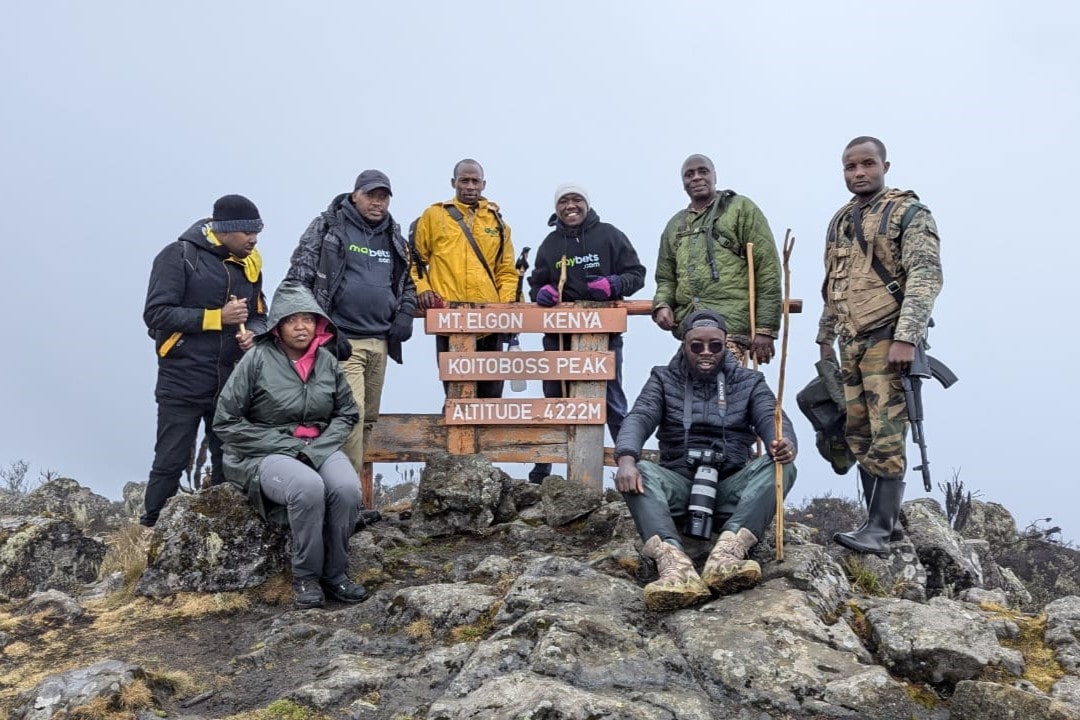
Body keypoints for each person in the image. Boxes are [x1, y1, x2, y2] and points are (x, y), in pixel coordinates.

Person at [614, 309, 797, 611]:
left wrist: (785, 442)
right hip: (680, 482)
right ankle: (675, 569)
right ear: (683, 345)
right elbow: (640, 416)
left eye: (715, 345)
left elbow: (772, 417)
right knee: (641, 472)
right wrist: (626, 457)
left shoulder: (750, 381)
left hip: (730, 485)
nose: (706, 352)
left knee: (782, 466)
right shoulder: (662, 378)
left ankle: (727, 557)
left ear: (726, 345)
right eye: (696, 346)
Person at [819, 136, 943, 555]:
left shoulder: (909, 211)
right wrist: (825, 339)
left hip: (888, 337)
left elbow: (925, 276)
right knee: (859, 432)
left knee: (888, 433)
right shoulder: (841, 219)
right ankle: (874, 523)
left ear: (885, 166)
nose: (859, 173)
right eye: (850, 167)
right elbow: (833, 283)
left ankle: (882, 527)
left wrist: (907, 336)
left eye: (867, 164)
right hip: (850, 341)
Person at [214, 281, 369, 609]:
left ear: (319, 323)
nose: (301, 327)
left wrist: (319, 445)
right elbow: (225, 422)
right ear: (277, 326)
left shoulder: (326, 361)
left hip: (318, 446)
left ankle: (336, 575)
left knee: (346, 489)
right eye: (292, 320)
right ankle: (306, 578)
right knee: (307, 488)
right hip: (263, 452)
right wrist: (283, 444)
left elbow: (346, 413)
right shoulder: (255, 360)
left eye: (308, 319)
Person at [141, 194, 268, 528]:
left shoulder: (252, 262)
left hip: (231, 377)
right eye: (246, 232)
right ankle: (151, 528)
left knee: (229, 456)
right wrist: (217, 318)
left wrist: (254, 333)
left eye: (257, 231)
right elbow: (156, 313)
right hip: (182, 375)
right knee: (172, 458)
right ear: (223, 230)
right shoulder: (178, 255)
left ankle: (228, 527)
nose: (253, 239)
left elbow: (258, 315)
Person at [285, 170, 417, 476]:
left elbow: (407, 283)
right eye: (371, 195)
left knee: (369, 418)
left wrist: (406, 313)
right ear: (355, 195)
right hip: (343, 342)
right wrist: (324, 330)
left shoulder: (393, 236)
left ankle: (350, 489)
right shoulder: (329, 227)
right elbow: (299, 280)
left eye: (383, 197)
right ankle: (346, 496)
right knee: (351, 415)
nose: (377, 203)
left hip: (380, 341)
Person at [527, 184, 646, 484]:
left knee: (611, 399)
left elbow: (637, 274)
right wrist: (542, 291)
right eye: (563, 201)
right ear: (556, 208)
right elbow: (534, 284)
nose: (570, 206)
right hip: (558, 336)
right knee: (555, 400)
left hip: (602, 335)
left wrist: (614, 284)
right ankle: (543, 471)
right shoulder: (550, 244)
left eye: (576, 200)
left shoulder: (609, 235)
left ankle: (630, 466)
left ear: (587, 204)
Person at [652, 154, 782, 365]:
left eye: (703, 172)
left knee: (729, 394)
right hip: (690, 333)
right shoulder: (675, 225)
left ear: (714, 176)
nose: (696, 178)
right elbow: (666, 277)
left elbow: (767, 269)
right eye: (689, 174)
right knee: (687, 395)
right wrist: (662, 304)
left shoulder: (740, 208)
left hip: (730, 331)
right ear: (683, 182)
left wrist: (765, 329)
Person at [410, 159, 517, 398]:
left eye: (475, 181)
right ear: (453, 183)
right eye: (464, 180)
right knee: (456, 395)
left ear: (483, 184)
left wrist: (504, 306)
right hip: (449, 319)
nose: (470, 186)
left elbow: (507, 270)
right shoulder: (434, 215)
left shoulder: (498, 222)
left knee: (491, 397)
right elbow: (414, 260)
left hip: (490, 321)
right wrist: (422, 288)